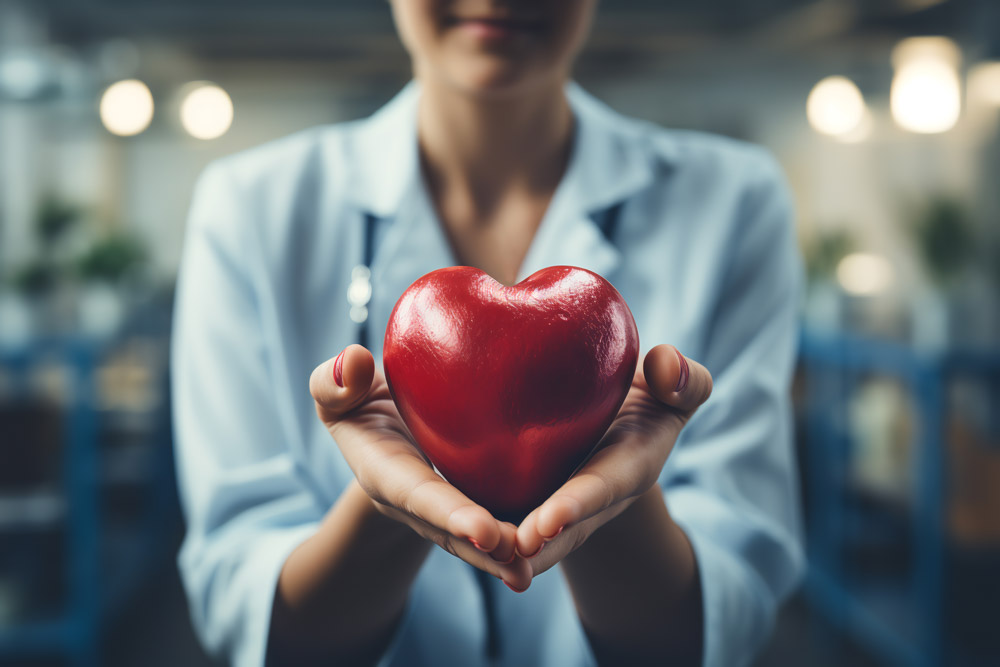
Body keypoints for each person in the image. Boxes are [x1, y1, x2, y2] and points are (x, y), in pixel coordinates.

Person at [171, 1, 805, 665]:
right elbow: (245, 601)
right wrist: (384, 506)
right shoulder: (248, 209)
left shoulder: (737, 202)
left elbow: (724, 612)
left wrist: (615, 496)